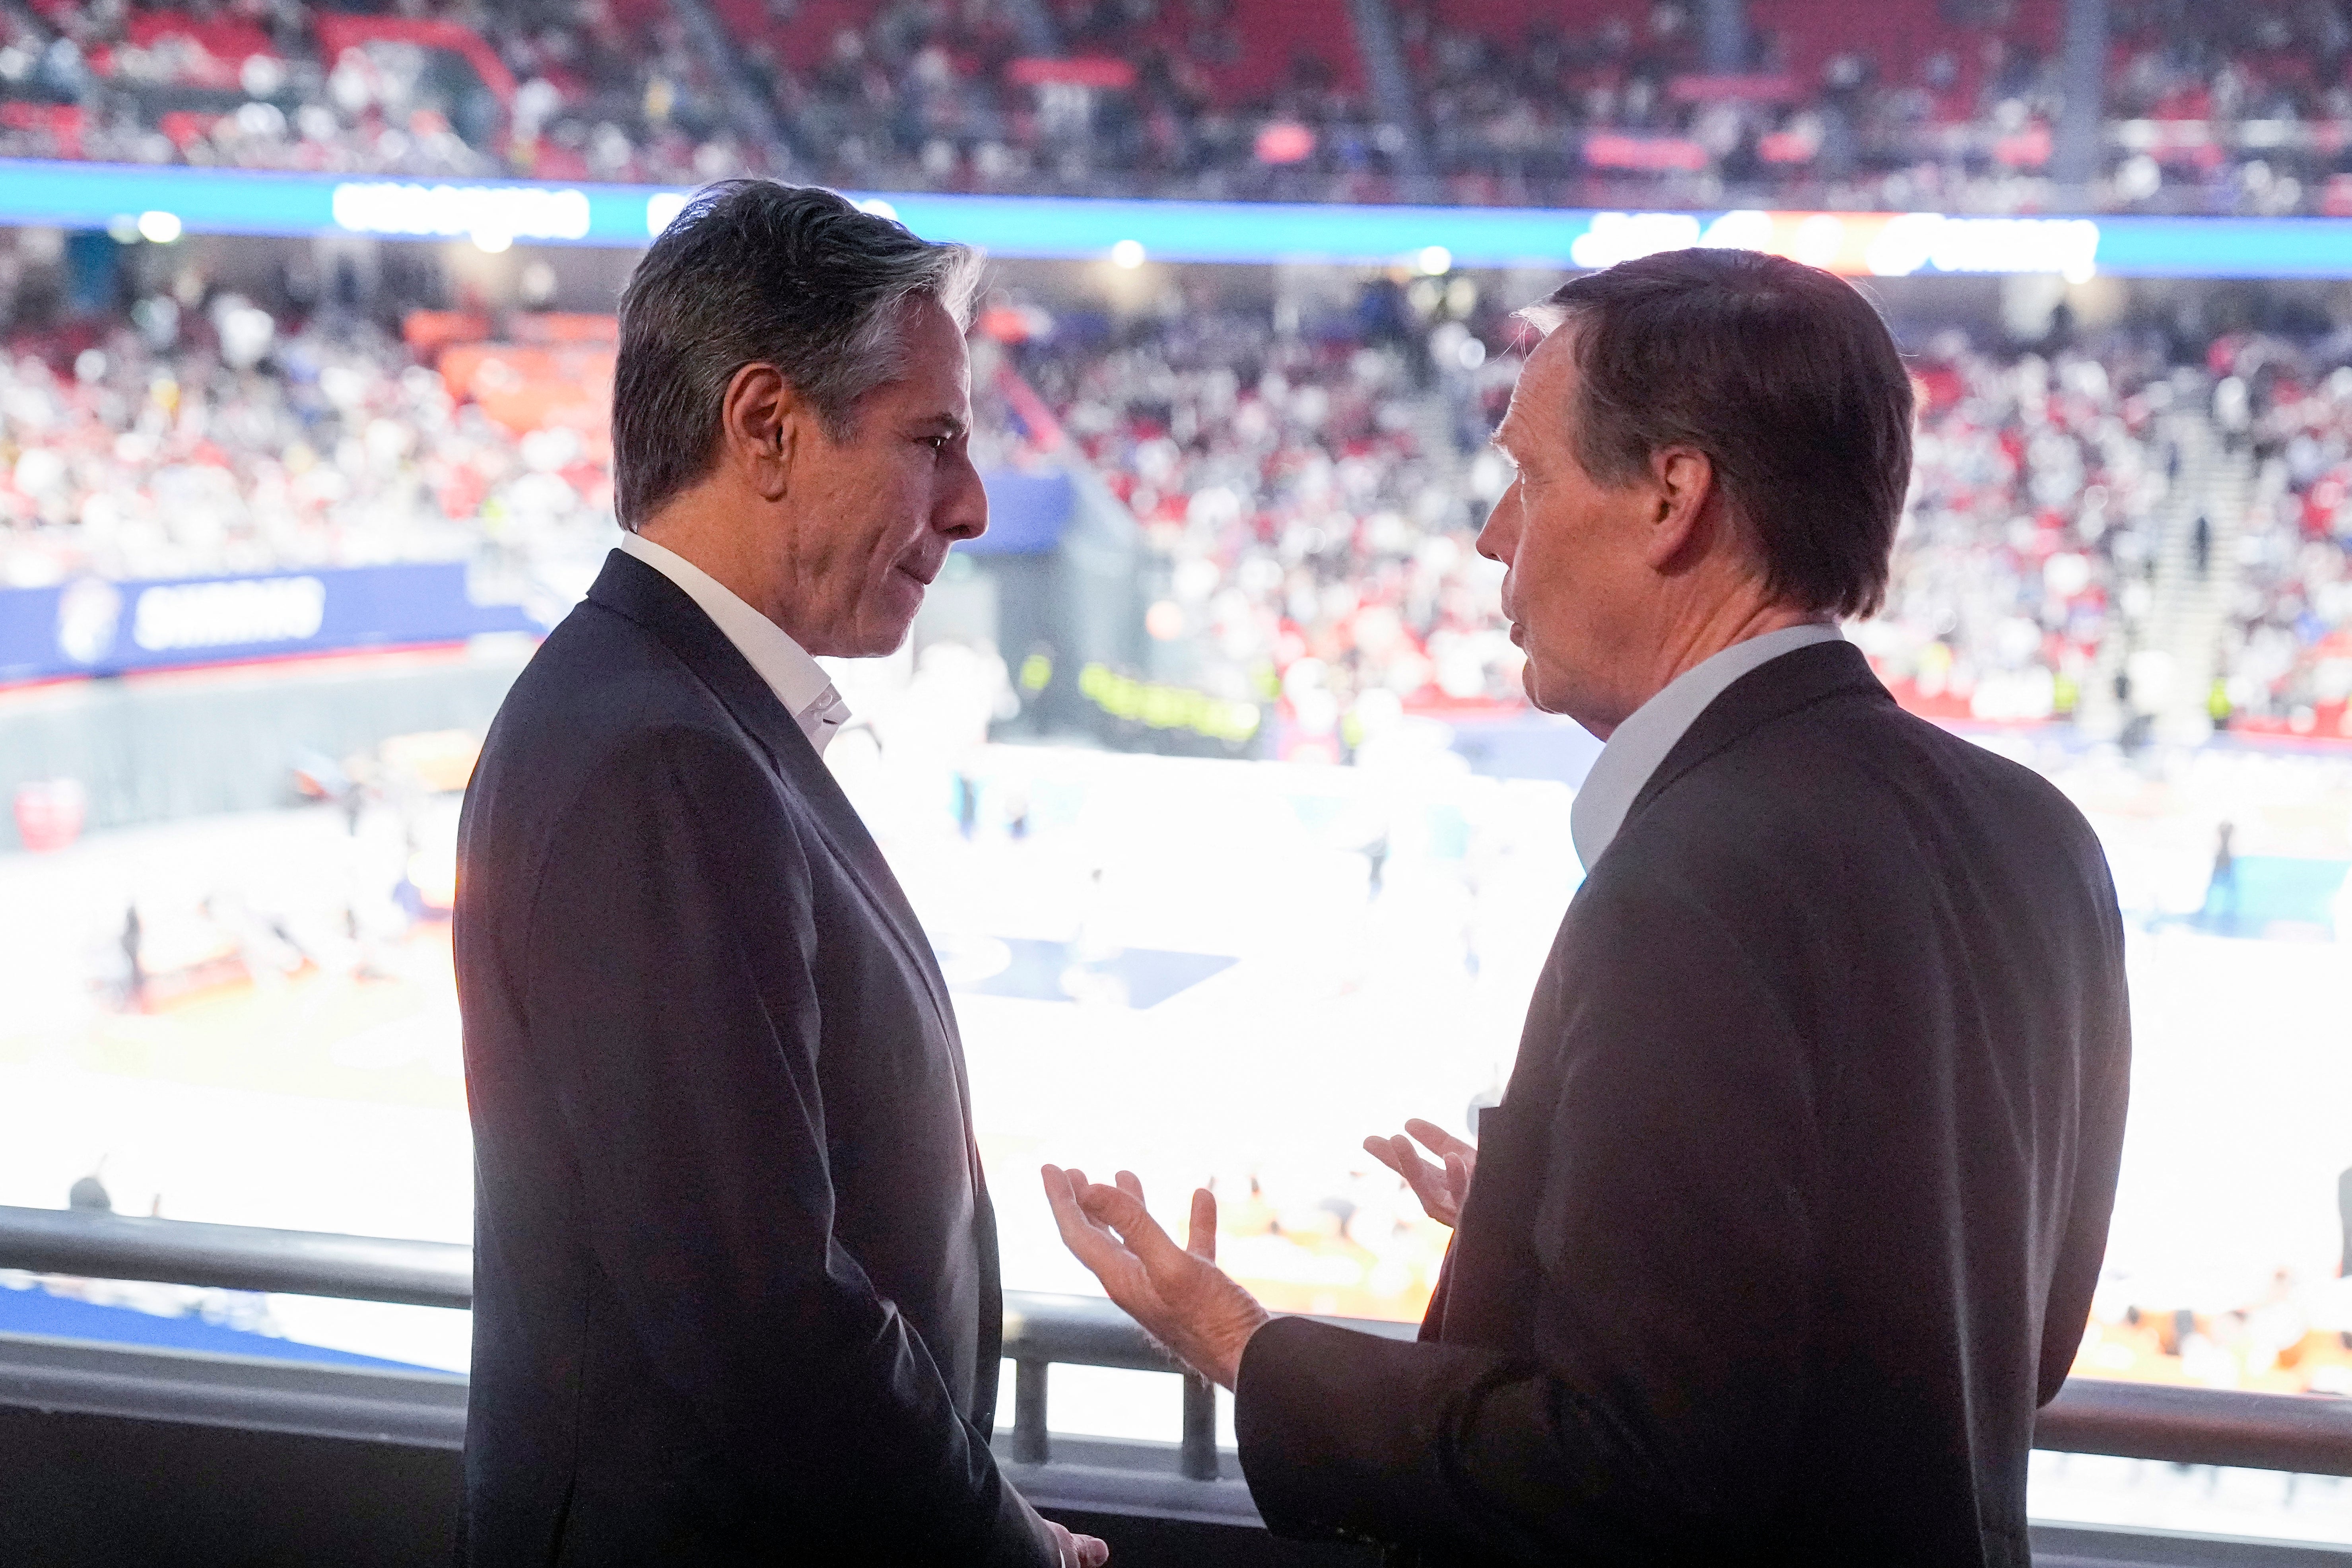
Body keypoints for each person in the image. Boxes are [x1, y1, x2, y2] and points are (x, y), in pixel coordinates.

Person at [1044, 248, 2131, 1566]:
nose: (1493, 532)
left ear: (1672, 495)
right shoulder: (2040, 835)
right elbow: (2011, 1337)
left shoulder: (1694, 876)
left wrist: (1244, 1344)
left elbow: (1626, 1473)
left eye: (1528, 474)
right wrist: (1565, 1227)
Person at [454, 181, 1103, 1568]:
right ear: (765, 428)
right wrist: (1004, 1547)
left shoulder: (668, 712)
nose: (975, 505)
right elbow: (757, 1314)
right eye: (933, 441)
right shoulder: (660, 756)